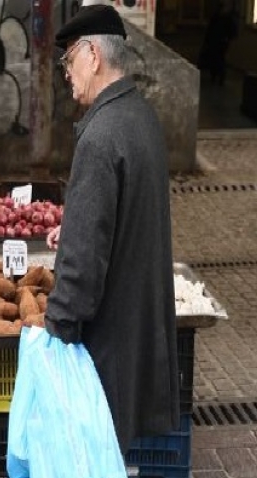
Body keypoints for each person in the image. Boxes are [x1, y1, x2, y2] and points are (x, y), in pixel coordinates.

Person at [46, 5, 179, 455]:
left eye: (68, 60)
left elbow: (83, 268)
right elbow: (126, 214)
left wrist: (58, 328)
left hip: (109, 338)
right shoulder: (140, 116)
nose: (66, 73)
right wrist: (75, 227)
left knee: (94, 460)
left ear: (93, 56)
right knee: (110, 460)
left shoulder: (101, 135)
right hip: (137, 322)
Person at [198, 1, 238, 85]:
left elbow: (210, 30)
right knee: (219, 58)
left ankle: (217, 76)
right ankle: (218, 76)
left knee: (217, 58)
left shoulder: (218, 18)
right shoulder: (225, 18)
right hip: (220, 41)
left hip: (217, 41)